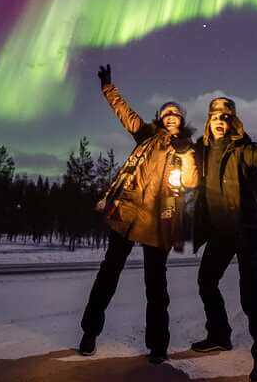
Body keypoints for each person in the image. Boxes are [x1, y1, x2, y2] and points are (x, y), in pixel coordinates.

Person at [78, 64, 198, 364]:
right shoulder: (145, 135)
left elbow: (193, 181)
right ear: (161, 119)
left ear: (181, 121)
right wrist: (108, 87)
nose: (171, 117)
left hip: (160, 221)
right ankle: (90, 332)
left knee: (156, 285)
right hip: (128, 212)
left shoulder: (187, 148)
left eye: (176, 115)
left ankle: (158, 345)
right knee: (108, 274)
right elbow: (125, 112)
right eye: (166, 114)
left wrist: (185, 154)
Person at [191, 96, 257, 382]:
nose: (220, 121)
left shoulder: (242, 150)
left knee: (250, 293)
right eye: (215, 117)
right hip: (220, 233)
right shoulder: (202, 151)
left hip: (247, 232)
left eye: (226, 117)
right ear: (209, 121)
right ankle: (219, 335)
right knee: (206, 281)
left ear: (232, 122)